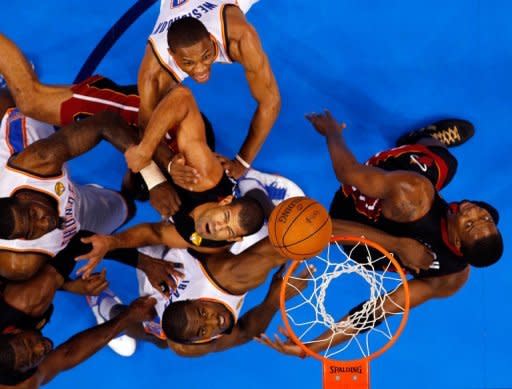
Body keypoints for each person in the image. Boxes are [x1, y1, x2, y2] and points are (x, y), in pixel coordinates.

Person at [256, 112, 504, 357]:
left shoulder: (450, 278)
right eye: (485, 219)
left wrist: (311, 348)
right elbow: (348, 172)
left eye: (470, 224)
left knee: (440, 167)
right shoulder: (414, 191)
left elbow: (379, 310)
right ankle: (421, 139)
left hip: (359, 238)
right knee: (444, 162)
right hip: (367, 201)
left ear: (459, 244)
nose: (474, 211)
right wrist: (332, 132)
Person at [108, 214, 433, 357]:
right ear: (199, 339)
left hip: (161, 254)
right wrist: (275, 299)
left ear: (199, 302)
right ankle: (108, 310)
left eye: (203, 313)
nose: (213, 321)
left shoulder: (235, 273)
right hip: (159, 296)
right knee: (158, 339)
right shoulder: (189, 346)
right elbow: (246, 330)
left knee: (122, 235)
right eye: (203, 329)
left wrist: (397, 244)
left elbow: (320, 229)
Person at [0, 89, 139, 281]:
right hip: (75, 209)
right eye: (32, 232)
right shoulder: (20, 263)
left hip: (29, 155)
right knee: (128, 207)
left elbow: (105, 122)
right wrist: (72, 285)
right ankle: (133, 180)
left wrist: (153, 177)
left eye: (33, 214)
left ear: (22, 197)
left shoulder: (38, 160)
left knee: (21, 102)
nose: (45, 223)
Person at [136, 0, 280, 178]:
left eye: (206, 56)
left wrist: (241, 163)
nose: (200, 69)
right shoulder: (154, 71)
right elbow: (146, 126)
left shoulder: (240, 37)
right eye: (188, 63)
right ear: (172, 55)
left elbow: (270, 101)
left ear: (212, 41)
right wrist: (170, 165)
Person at [0, 296, 156, 388]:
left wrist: (68, 284)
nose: (41, 347)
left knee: (31, 297)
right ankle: (105, 310)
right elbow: (67, 354)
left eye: (30, 345)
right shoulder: (24, 384)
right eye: (31, 359)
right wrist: (127, 318)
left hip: (15, 304)